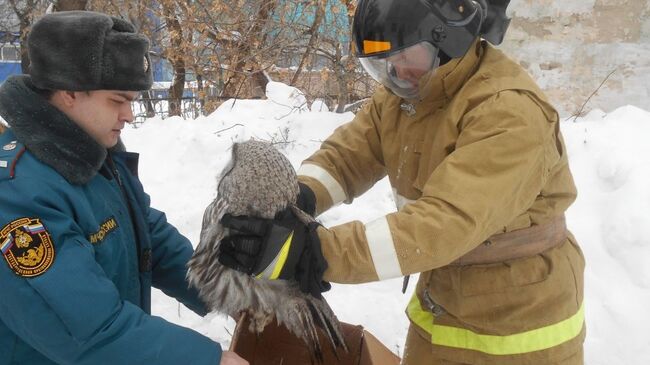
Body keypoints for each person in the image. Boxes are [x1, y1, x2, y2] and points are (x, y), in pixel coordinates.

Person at [217, 0, 585, 364]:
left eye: (404, 55)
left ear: (447, 40)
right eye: (381, 61)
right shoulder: (411, 89)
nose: (394, 70)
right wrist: (294, 197)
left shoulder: (508, 111)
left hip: (518, 329)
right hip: (445, 303)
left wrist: (313, 251)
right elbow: (348, 156)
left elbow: (441, 224)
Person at [0, 11, 246, 365]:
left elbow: (150, 237)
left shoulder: (93, 153)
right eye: (117, 100)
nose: (129, 114)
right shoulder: (17, 194)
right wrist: (207, 359)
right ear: (69, 91)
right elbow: (86, 329)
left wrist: (230, 295)